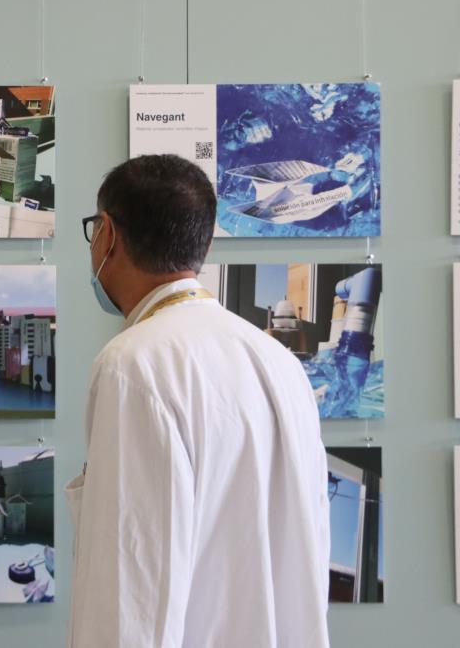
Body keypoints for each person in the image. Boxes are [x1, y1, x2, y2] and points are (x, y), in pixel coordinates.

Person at [66, 155, 330, 647]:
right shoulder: (277, 360)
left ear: (106, 234)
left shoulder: (134, 363)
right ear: (204, 243)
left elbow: (129, 590)